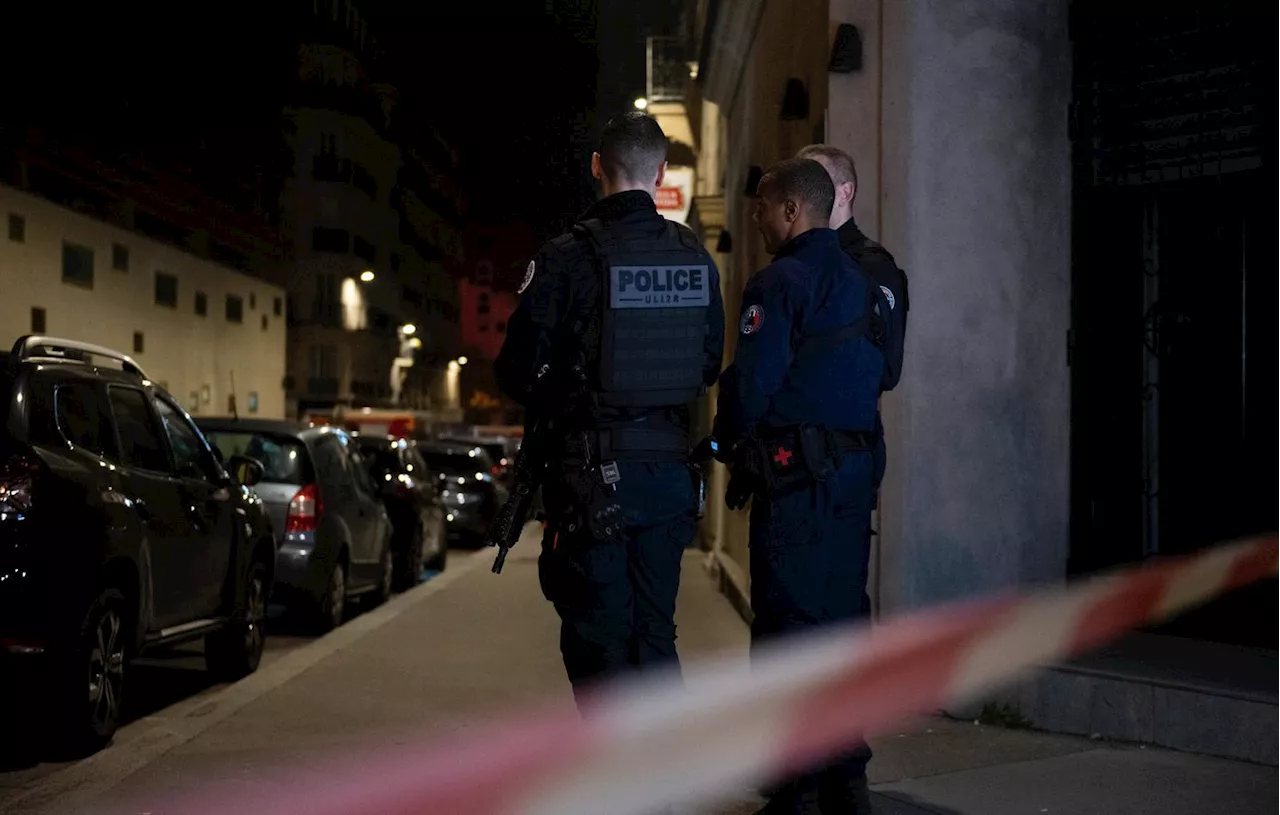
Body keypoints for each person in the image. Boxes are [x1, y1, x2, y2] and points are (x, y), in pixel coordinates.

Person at [495, 111, 726, 708]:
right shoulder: (693, 257)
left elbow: (516, 370)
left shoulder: (566, 257)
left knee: (599, 644)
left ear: (597, 167)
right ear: (662, 172)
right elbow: (705, 364)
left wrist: (569, 394)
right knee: (655, 635)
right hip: (669, 480)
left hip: (592, 481)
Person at [714, 158, 886, 814]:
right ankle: (846, 781)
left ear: (792, 210)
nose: (755, 218)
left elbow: (752, 387)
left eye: (761, 206)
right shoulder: (862, 277)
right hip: (851, 479)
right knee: (842, 628)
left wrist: (731, 447)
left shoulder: (780, 281)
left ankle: (795, 791)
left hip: (796, 482)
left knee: (788, 631)